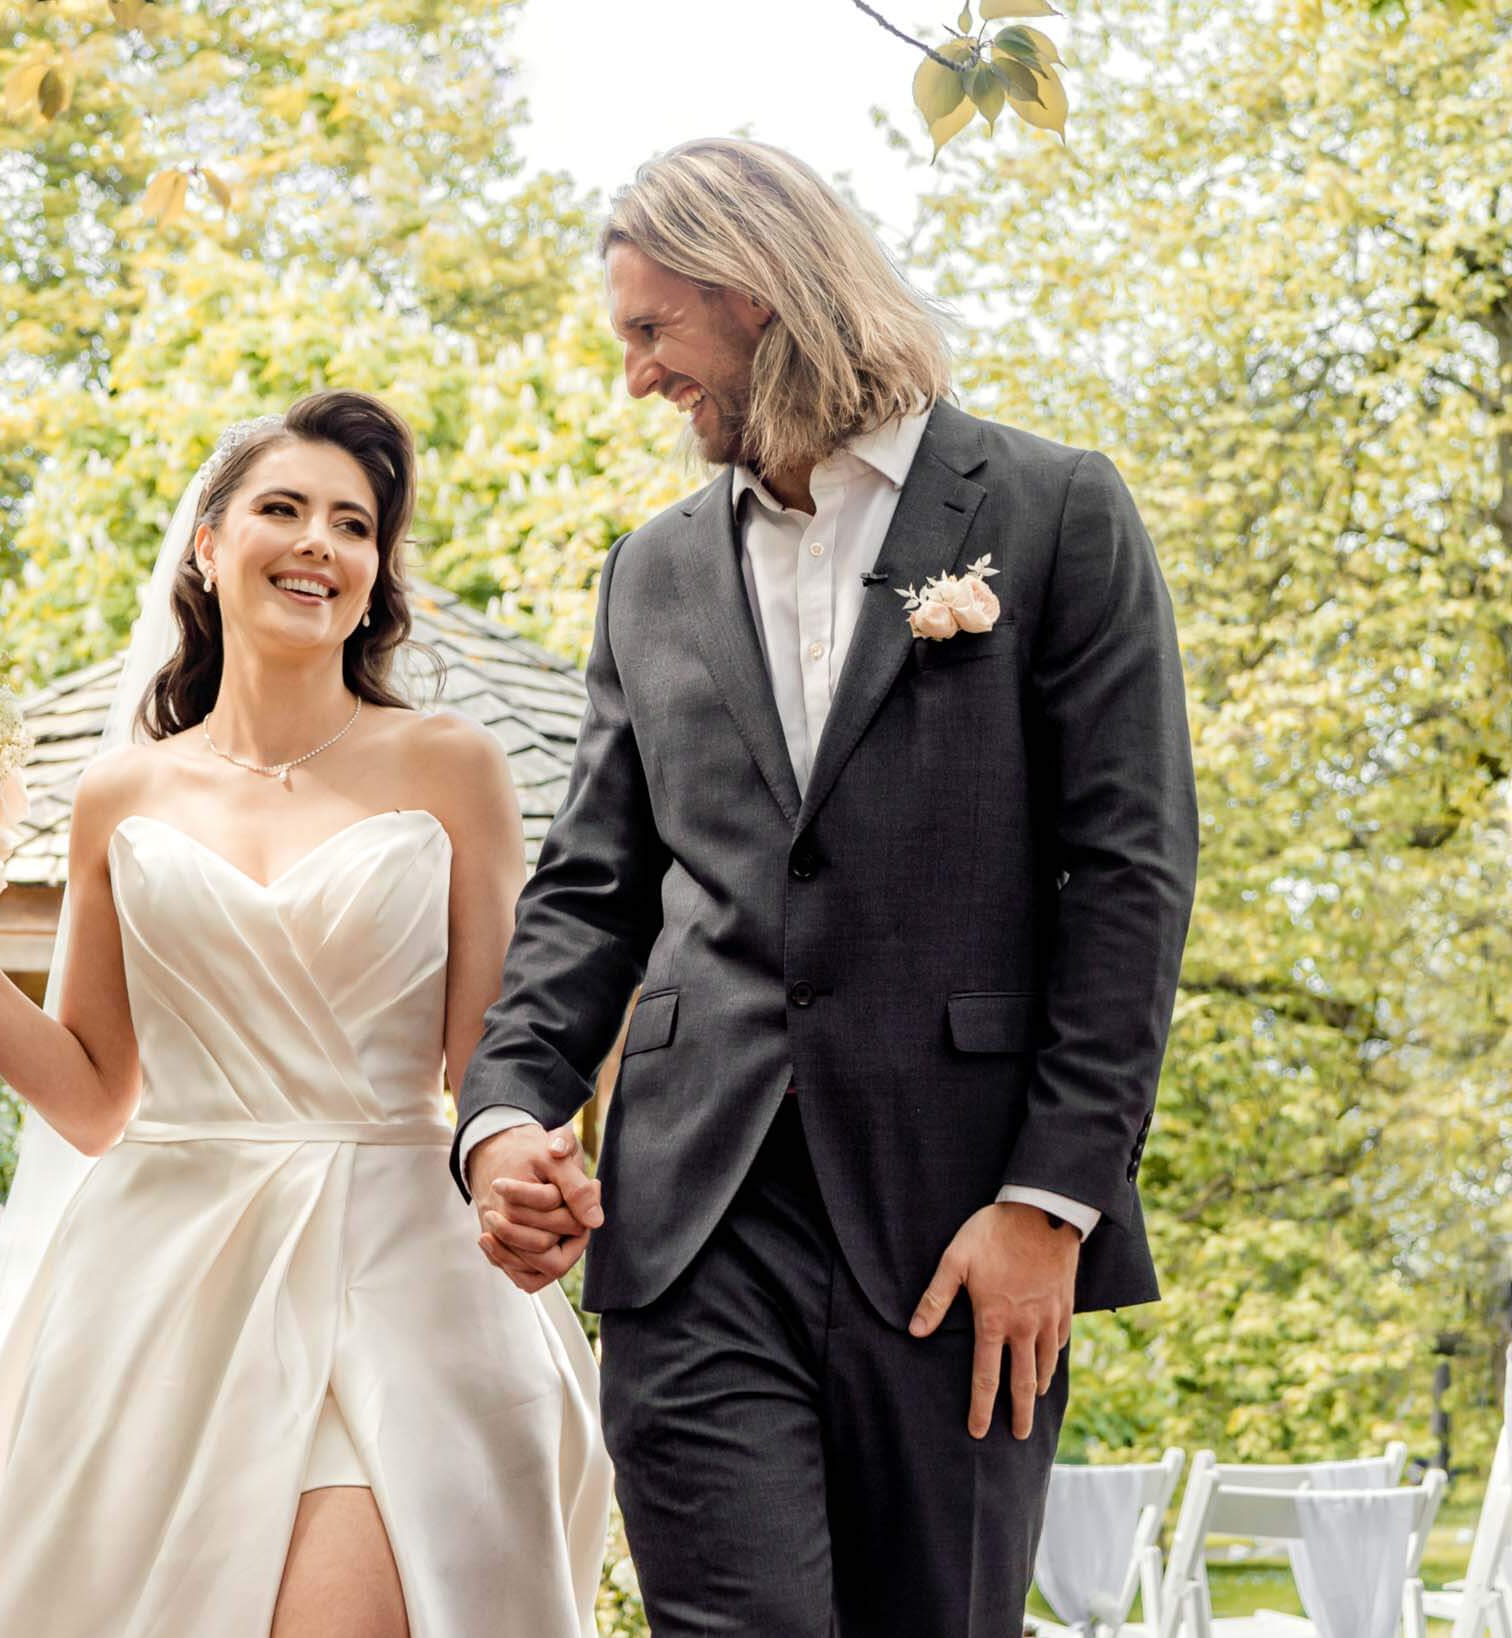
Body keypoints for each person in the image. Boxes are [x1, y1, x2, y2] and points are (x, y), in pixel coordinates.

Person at [458, 139, 1200, 1635]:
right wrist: (500, 1116)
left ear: (761, 294)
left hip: (962, 1231)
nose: (638, 381)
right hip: (691, 1230)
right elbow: (592, 890)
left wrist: (1049, 1201)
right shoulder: (650, 572)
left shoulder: (1054, 513)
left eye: (651, 332)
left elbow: (1129, 876)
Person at [0, 390, 610, 1638]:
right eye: (284, 509)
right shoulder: (119, 791)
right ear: (207, 543)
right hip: (168, 1287)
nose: (320, 544)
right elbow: (92, 1097)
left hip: (400, 1271)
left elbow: (493, 1062)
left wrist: (530, 1162)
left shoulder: (451, 764)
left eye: (354, 526)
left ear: (373, 572)